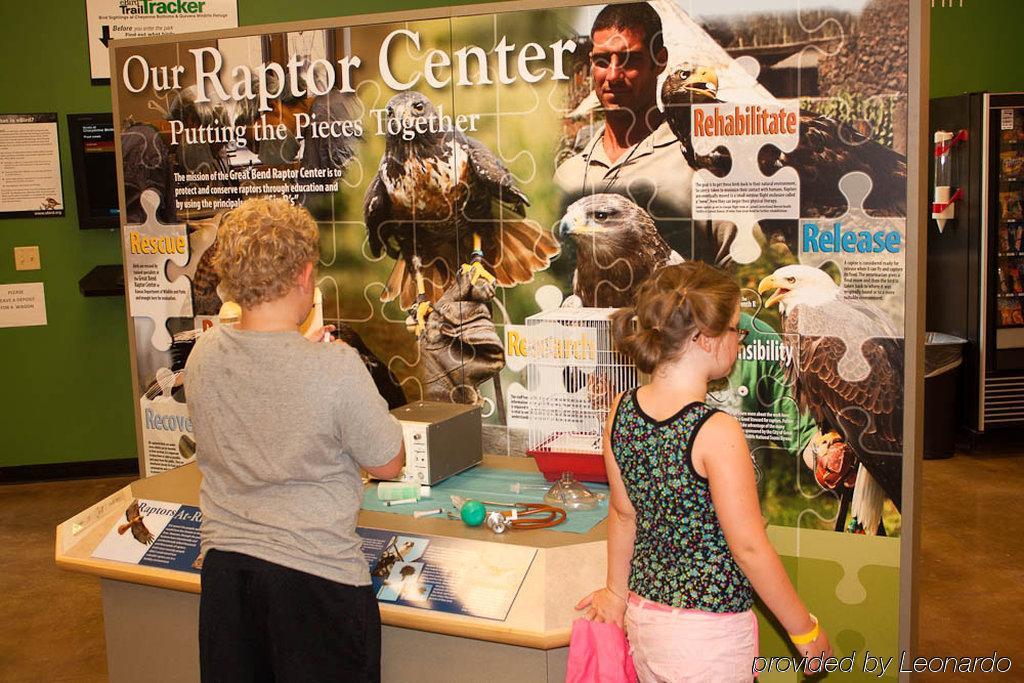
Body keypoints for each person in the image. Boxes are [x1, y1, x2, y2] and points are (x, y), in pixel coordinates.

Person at [184, 197, 405, 682]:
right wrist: (324, 365)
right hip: (316, 587)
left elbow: (260, 387)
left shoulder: (201, 355)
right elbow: (389, 461)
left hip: (227, 587)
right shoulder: (335, 367)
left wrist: (301, 359)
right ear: (305, 275)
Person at [575, 262, 831, 681]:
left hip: (645, 622)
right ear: (706, 339)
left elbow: (623, 514)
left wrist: (616, 594)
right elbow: (748, 547)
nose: (740, 339)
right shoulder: (717, 431)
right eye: (735, 329)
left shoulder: (620, 410)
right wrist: (804, 629)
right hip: (709, 637)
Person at [554, 2, 735, 266]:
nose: (613, 76)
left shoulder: (701, 164)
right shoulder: (567, 175)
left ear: (660, 60)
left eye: (629, 60)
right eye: (602, 61)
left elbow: (744, 275)